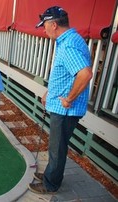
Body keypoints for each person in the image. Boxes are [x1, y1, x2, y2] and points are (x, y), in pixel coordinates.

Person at [28, 6, 93, 194]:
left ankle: (50, 184)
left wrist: (69, 99)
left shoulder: (69, 45)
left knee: (57, 148)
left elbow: (85, 74)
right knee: (56, 146)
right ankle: (51, 174)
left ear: (54, 24)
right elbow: (67, 74)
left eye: (45, 25)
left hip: (65, 110)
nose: (44, 29)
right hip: (62, 106)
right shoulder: (68, 40)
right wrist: (50, 91)